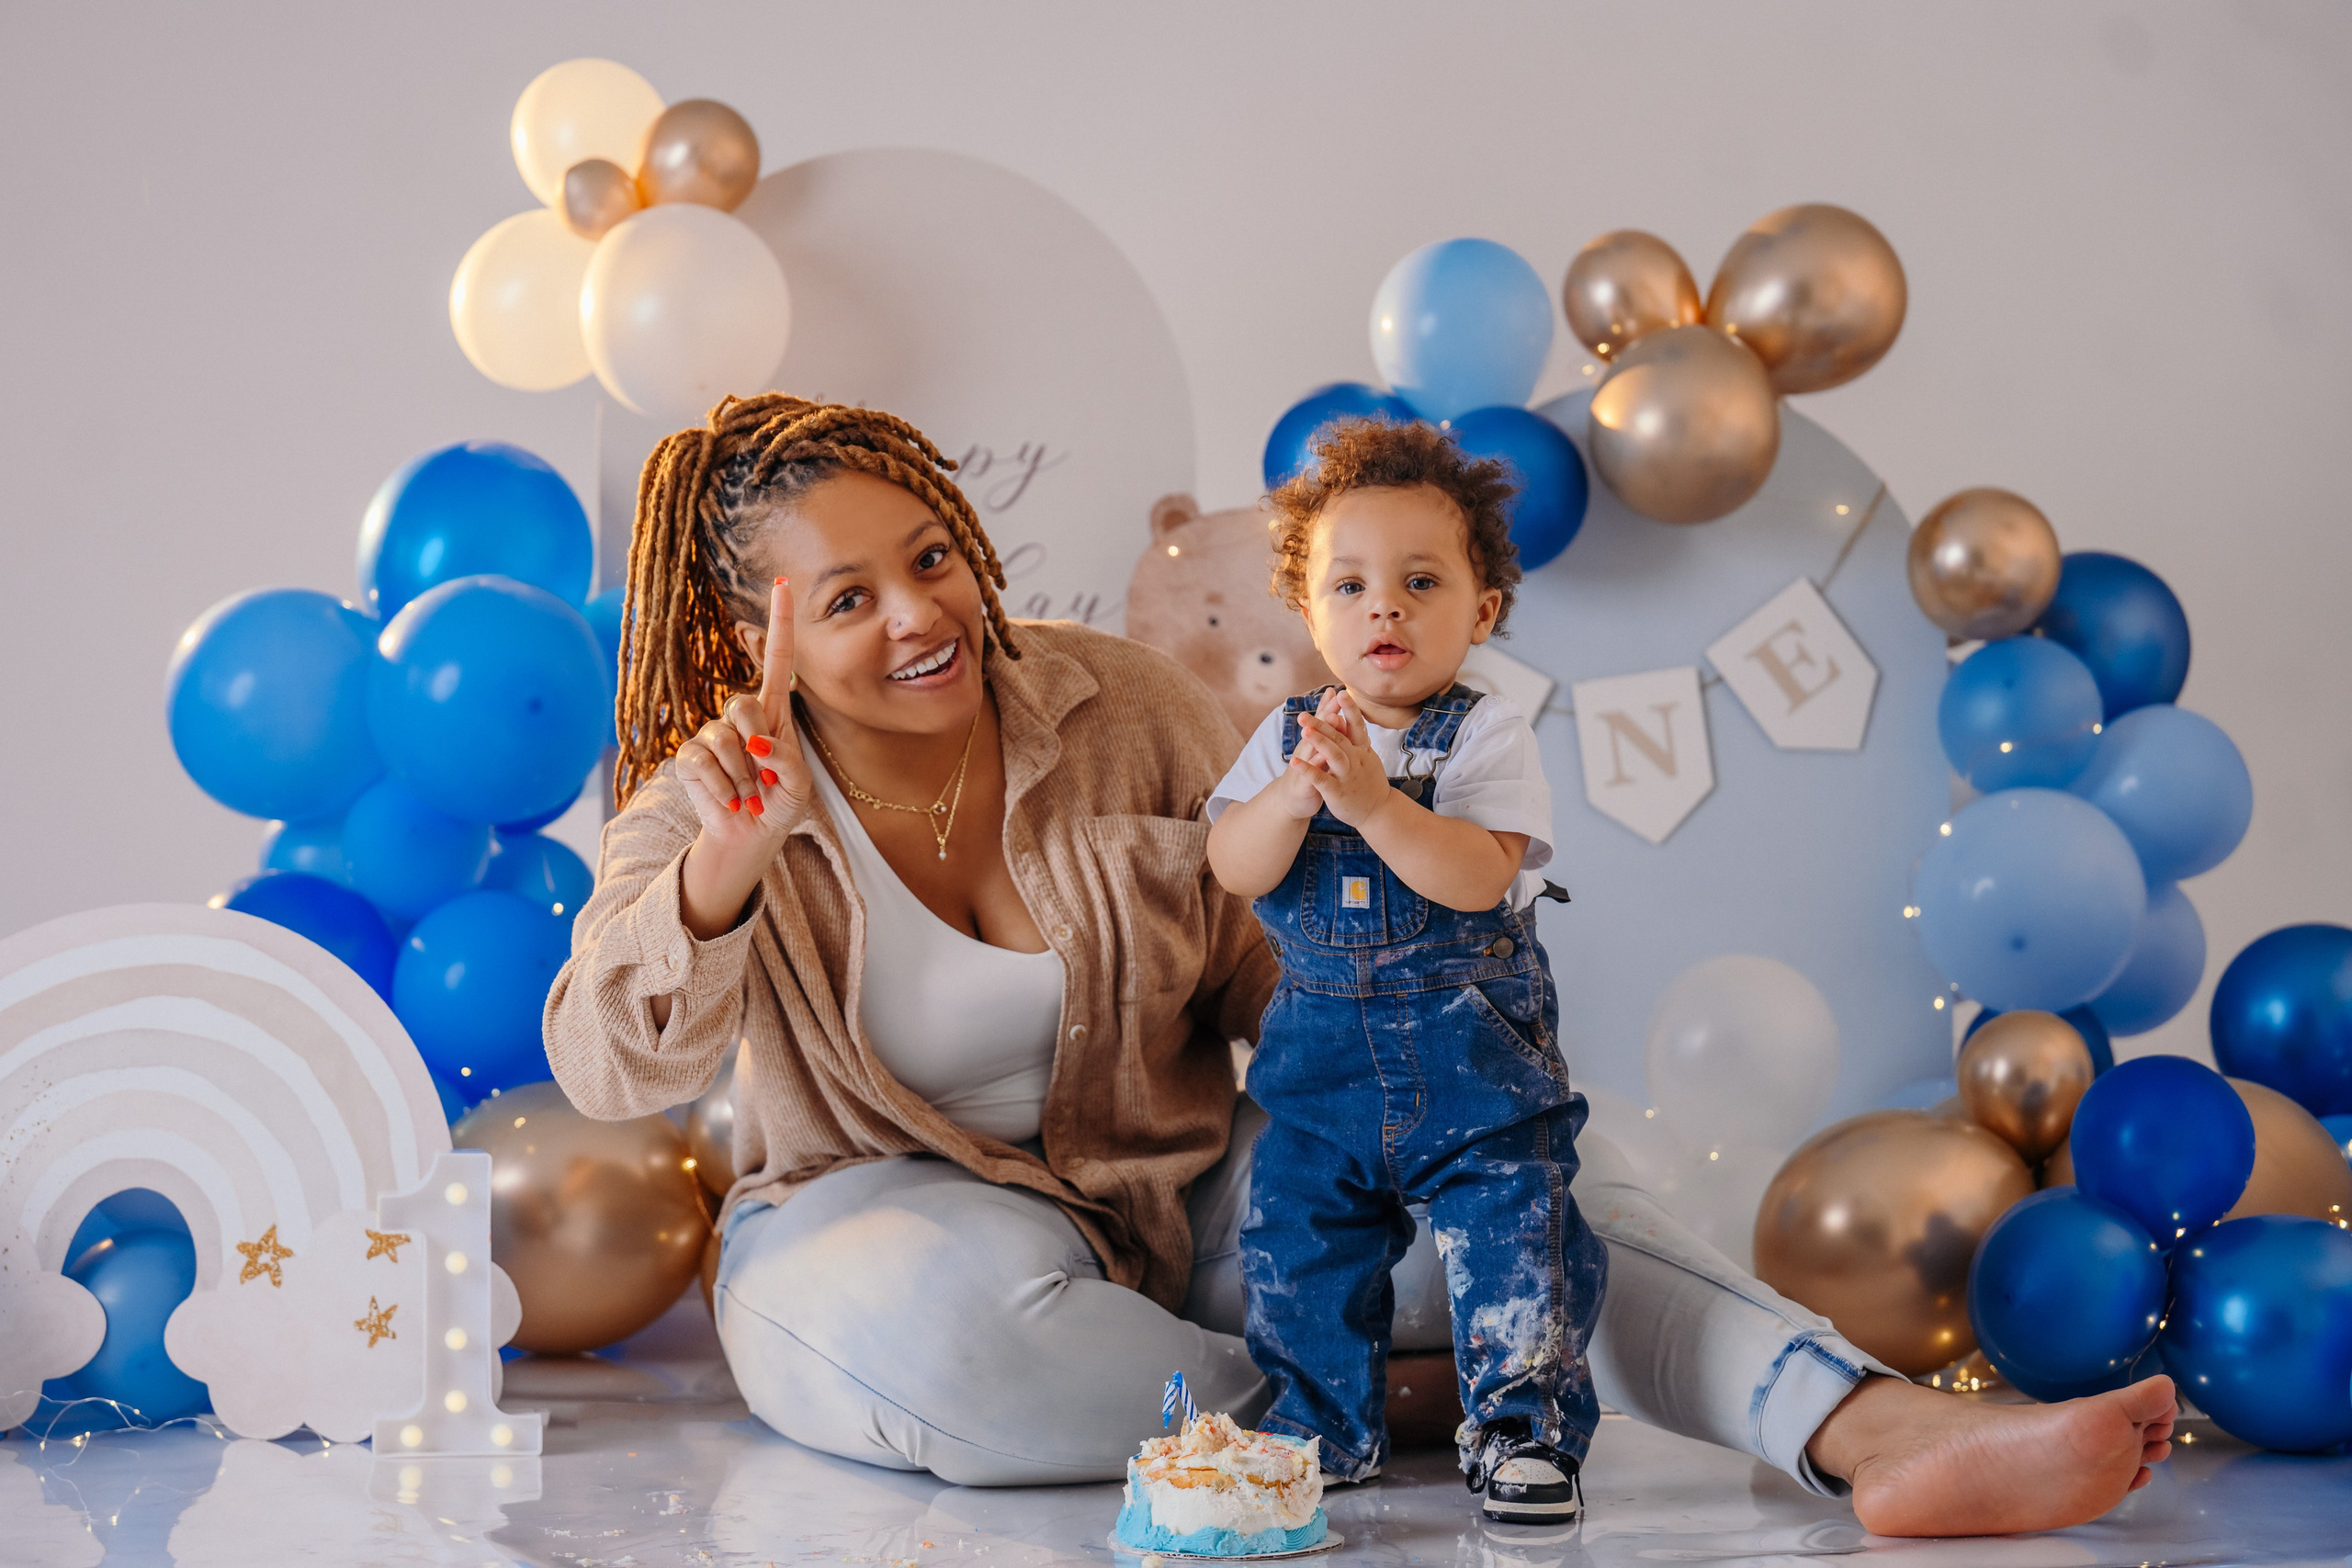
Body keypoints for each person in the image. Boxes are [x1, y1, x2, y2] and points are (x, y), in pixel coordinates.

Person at [544, 392, 2178, 1540]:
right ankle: (1426, 1397)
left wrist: (1449, 1108)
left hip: (1173, 1192)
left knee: (1513, 1174)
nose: (922, 610)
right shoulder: (717, 791)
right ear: (751, 630)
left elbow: (1286, 962)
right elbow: (608, 1066)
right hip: (871, 1220)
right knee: (972, 1360)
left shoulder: (1114, 700)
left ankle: (1859, 1423)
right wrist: (721, 874)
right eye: (848, 596)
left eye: (930, 552)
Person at [1204, 419, 1599, 1522]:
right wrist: (1291, 796)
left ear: (1480, 612)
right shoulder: (1284, 739)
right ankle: (1321, 1430)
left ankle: (1526, 1437)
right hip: (1321, 1077)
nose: (1385, 606)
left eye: (1420, 582)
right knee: (1295, 1247)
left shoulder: (1484, 737)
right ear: (1309, 609)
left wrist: (1371, 803)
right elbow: (1232, 864)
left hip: (1473, 1067)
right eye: (1352, 584)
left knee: (1515, 1245)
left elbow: (1476, 876)